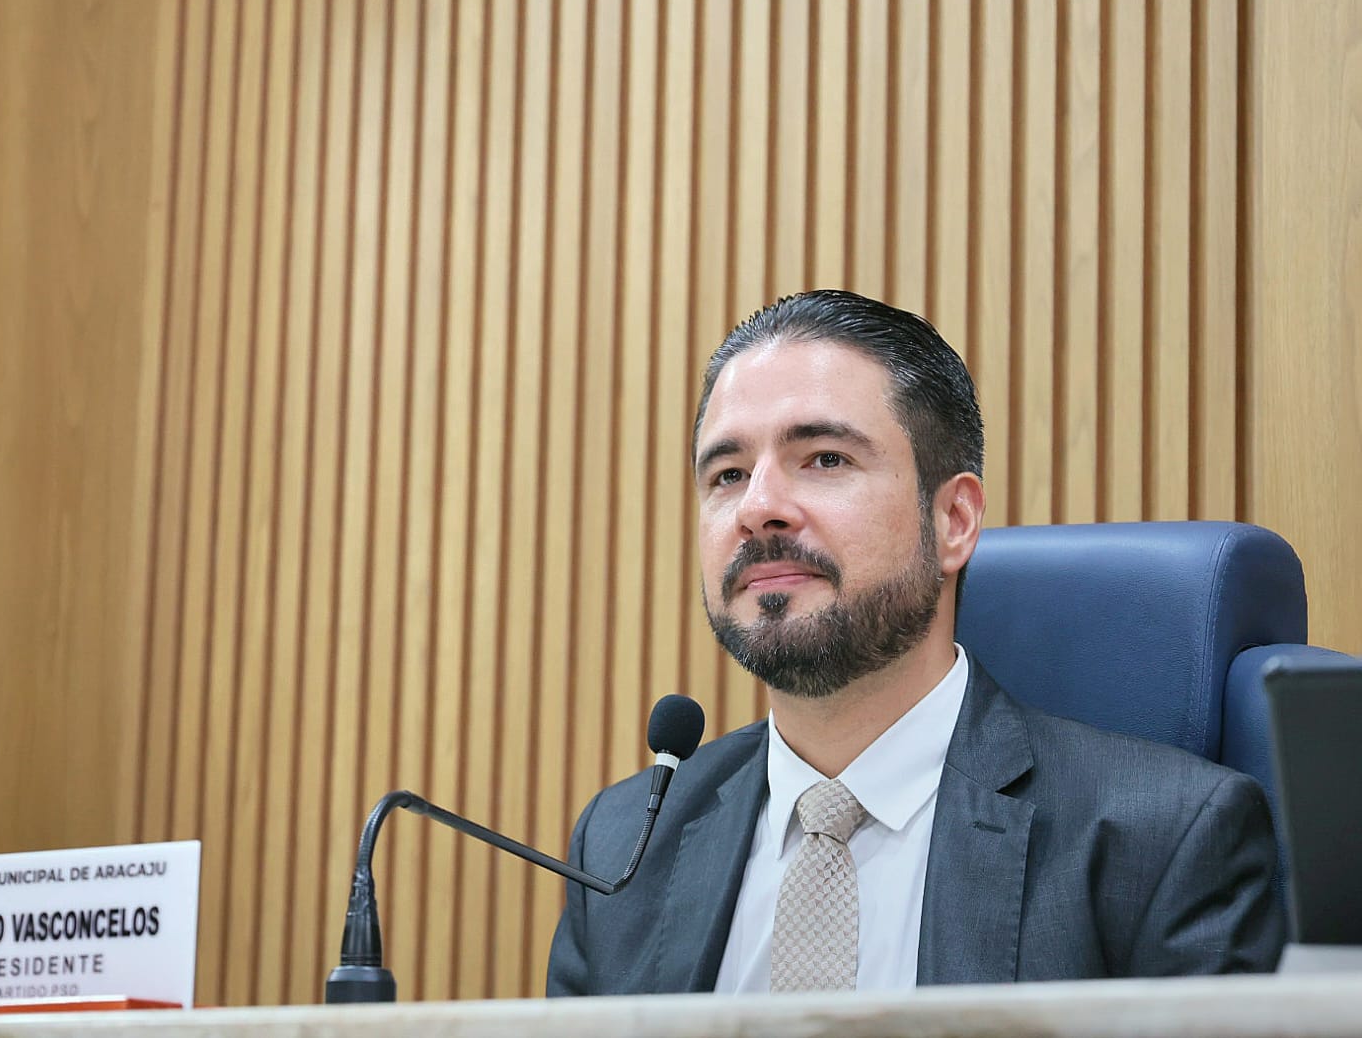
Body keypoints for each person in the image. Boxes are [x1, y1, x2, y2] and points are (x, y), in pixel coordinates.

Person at [547, 289, 1283, 995]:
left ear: (953, 521)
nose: (758, 506)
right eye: (728, 473)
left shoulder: (1161, 839)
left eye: (825, 458)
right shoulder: (623, 844)